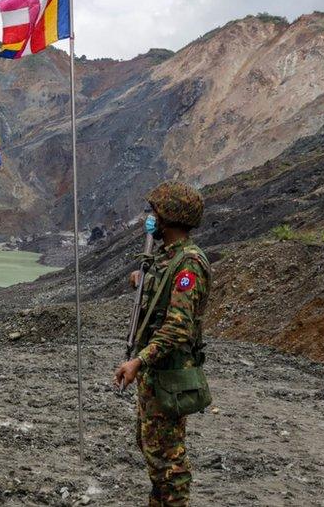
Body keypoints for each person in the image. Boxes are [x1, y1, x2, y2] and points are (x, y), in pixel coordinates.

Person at [113, 181, 213, 507]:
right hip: (155, 375)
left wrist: (138, 361)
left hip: (170, 375)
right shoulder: (166, 258)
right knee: (149, 445)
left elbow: (177, 328)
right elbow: (161, 295)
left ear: (169, 218)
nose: (150, 218)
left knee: (169, 459)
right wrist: (142, 281)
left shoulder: (189, 264)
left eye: (155, 212)